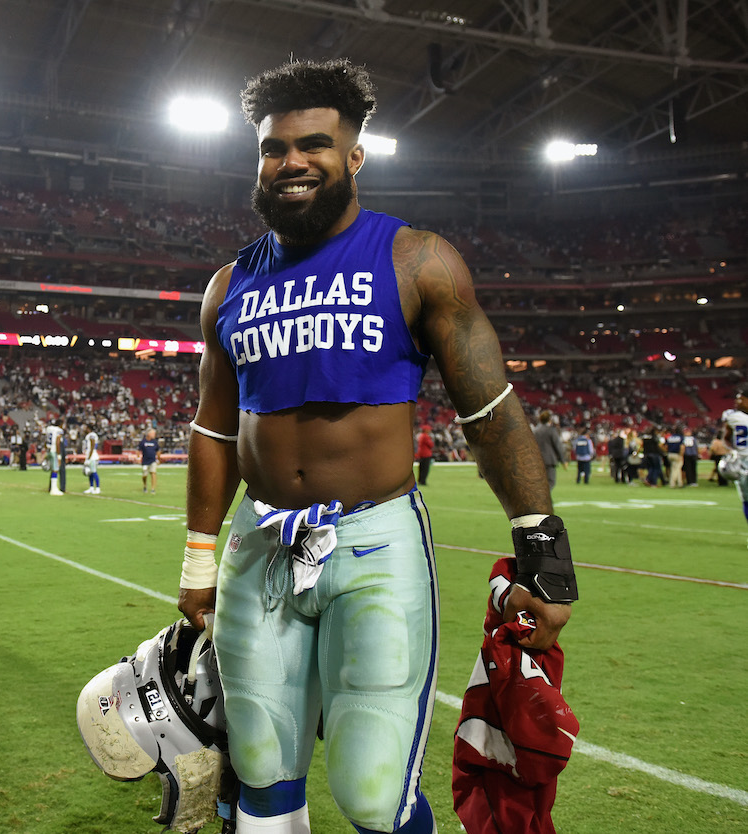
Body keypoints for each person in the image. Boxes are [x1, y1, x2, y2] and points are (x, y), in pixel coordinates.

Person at [177, 60, 576, 834]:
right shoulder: (227, 286)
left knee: (371, 791)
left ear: (354, 157)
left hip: (375, 539)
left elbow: (489, 411)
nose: (292, 161)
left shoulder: (416, 259)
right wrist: (198, 560)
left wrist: (544, 552)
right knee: (260, 766)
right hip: (259, 541)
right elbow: (213, 429)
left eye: (314, 144)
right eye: (274, 148)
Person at [720, 388, 748, 536]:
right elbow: (725, 438)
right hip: (744, 462)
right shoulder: (732, 416)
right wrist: (733, 451)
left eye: (741, 399)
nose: (737, 402)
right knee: (746, 499)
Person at [532, 410, 566, 490]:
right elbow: (558, 446)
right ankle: (543, 500)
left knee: (539, 481)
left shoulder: (535, 431)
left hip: (537, 459)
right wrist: (563, 460)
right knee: (550, 482)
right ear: (550, 420)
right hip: (549, 460)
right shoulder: (551, 430)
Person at [45, 420, 65, 495]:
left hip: (49, 449)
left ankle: (53, 487)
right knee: (55, 469)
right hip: (54, 450)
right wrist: (59, 455)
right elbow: (57, 442)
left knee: (53, 469)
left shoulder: (49, 429)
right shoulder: (59, 430)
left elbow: (46, 440)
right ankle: (53, 489)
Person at [139, 427, 159, 493]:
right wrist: (138, 458)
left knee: (153, 473)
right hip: (145, 461)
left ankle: (153, 489)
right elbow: (139, 450)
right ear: (148, 434)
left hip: (153, 460)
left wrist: (158, 459)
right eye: (153, 433)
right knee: (145, 475)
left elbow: (158, 450)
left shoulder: (155, 442)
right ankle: (145, 486)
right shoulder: (143, 442)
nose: (154, 435)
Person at [82, 426, 101, 494]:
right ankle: (91, 487)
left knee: (94, 471)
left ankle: (98, 488)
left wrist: (89, 457)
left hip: (92, 456)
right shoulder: (89, 435)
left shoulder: (92, 435)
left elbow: (92, 445)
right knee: (90, 473)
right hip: (89, 455)